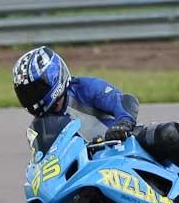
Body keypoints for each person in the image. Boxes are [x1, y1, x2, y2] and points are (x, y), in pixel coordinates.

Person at [12, 46, 179, 165]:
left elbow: (124, 101)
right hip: (89, 169)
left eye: (35, 90)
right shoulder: (39, 128)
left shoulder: (83, 88)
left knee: (168, 134)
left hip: (125, 146)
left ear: (54, 76)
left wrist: (123, 124)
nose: (32, 98)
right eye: (25, 93)